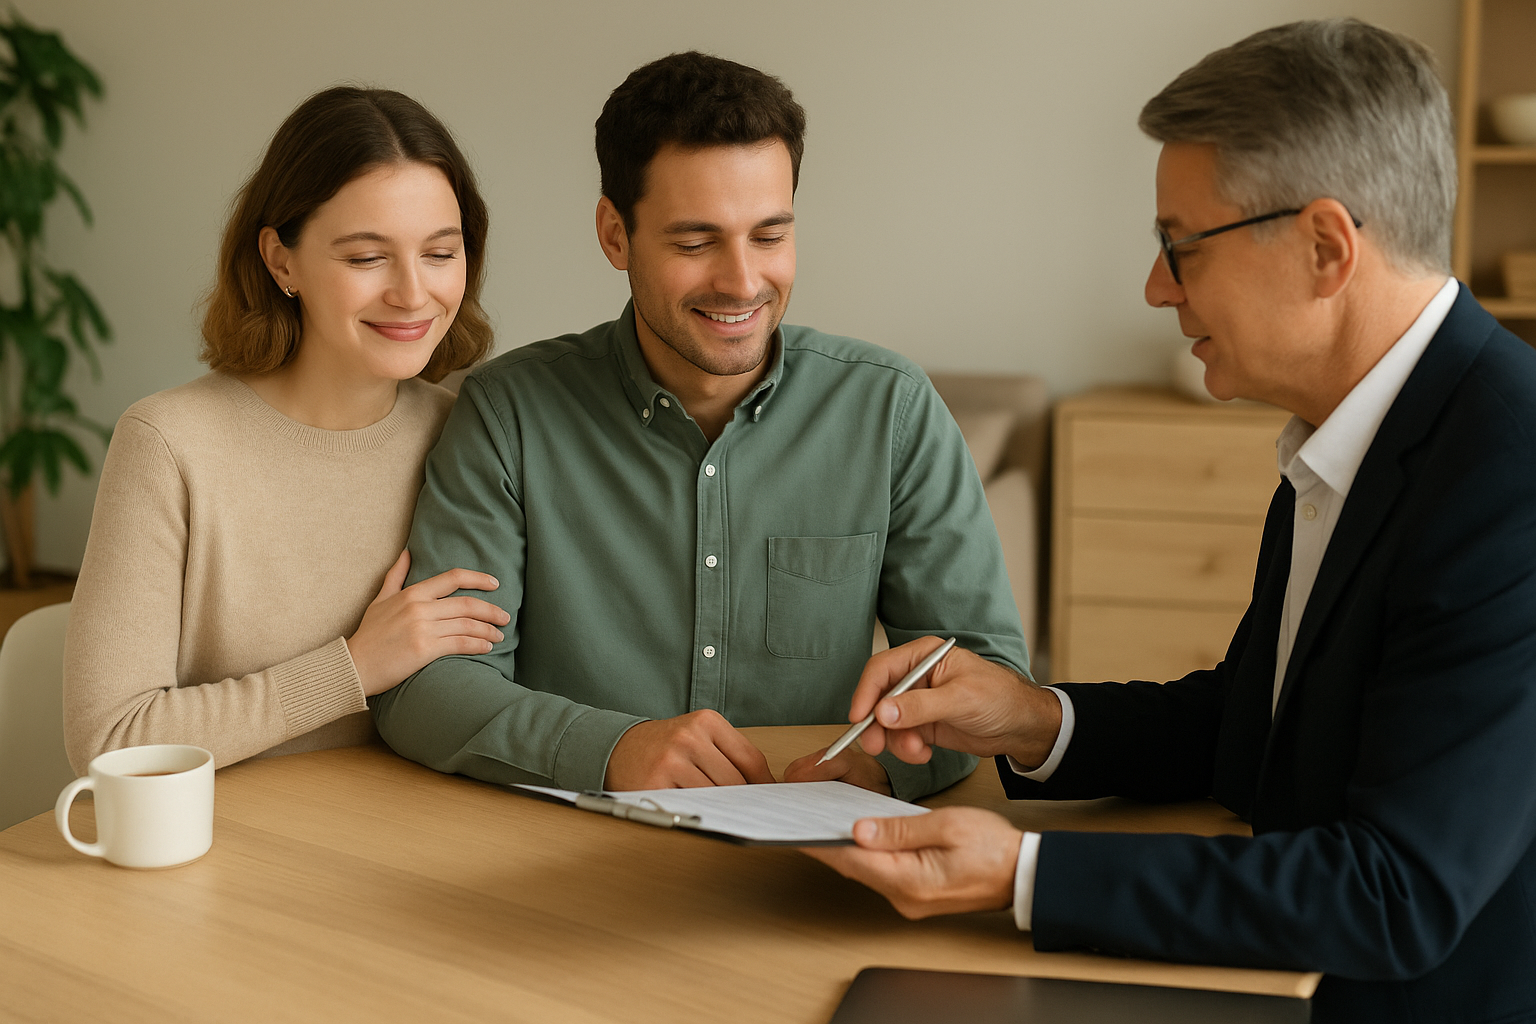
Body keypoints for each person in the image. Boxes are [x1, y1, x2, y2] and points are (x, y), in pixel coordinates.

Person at [802, 19, 1536, 1024]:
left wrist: (1023, 874)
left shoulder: (1508, 471)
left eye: (1179, 248)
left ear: (1326, 247)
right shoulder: (1362, 431)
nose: (1156, 288)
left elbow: (1393, 896)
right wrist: (1031, 716)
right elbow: (1256, 728)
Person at [371, 52, 1029, 800]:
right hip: (568, 856)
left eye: (770, 235)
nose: (743, 282)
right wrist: (608, 749)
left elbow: (984, 675)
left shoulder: (892, 410)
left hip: (816, 865)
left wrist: (885, 769)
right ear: (615, 235)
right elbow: (427, 689)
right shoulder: (508, 414)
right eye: (695, 242)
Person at [64, 87, 511, 772]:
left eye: (440, 253)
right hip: (230, 851)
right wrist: (354, 668)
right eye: (367, 258)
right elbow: (111, 739)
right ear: (281, 261)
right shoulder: (169, 444)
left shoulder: (470, 436)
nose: (414, 293)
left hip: (414, 838)